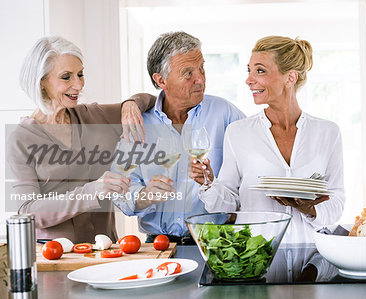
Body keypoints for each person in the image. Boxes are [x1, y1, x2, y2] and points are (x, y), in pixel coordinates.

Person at [191, 36, 345, 243]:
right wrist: (208, 183)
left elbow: (336, 200)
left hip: (314, 254)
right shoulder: (238, 132)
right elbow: (229, 203)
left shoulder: (328, 132)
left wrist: (310, 209)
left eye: (260, 70)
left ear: (290, 78)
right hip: (257, 256)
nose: (249, 79)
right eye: (249, 70)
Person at [6, 36, 156, 244]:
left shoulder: (93, 116)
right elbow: (27, 211)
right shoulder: (21, 139)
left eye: (80, 74)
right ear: (41, 82)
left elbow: (152, 101)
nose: (78, 84)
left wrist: (131, 103)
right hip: (56, 258)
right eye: (66, 77)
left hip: (106, 251)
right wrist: (92, 191)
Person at [113, 31, 245, 245]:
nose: (200, 79)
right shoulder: (139, 123)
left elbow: (251, 173)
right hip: (157, 246)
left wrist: (225, 197)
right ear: (161, 79)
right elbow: (119, 190)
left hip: (218, 244)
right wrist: (145, 195)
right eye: (188, 73)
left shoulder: (226, 114)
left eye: (201, 68)